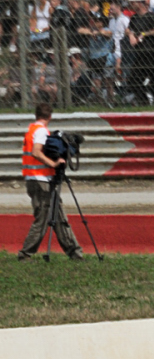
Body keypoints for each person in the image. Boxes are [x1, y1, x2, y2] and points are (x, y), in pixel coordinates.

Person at [18, 103, 83, 261]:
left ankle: (74, 252)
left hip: (36, 179)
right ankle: (25, 254)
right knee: (43, 218)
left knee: (58, 216)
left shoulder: (32, 129)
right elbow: (36, 152)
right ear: (50, 117)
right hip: (41, 180)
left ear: (36, 115)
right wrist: (53, 164)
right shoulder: (41, 131)